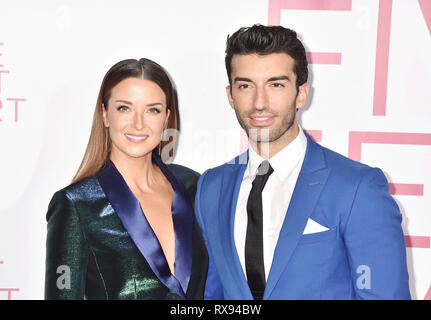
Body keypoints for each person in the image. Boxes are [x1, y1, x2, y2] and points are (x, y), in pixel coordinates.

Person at [195, 24, 410, 300]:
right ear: (230, 96)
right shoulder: (212, 188)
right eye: (246, 86)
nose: (259, 102)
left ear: (301, 93)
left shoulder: (357, 188)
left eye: (276, 84)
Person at [45, 58, 208, 299]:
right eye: (125, 108)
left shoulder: (195, 186)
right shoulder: (76, 204)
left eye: (152, 110)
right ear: (105, 114)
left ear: (166, 118)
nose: (139, 123)